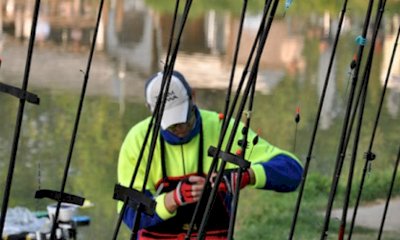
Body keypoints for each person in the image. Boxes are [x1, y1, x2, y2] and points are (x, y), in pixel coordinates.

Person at [117, 70, 303, 239]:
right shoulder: (137, 140)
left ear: (194, 96)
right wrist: (173, 199)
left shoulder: (223, 129)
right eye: (172, 125)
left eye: (184, 119)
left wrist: (248, 176)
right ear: (151, 111)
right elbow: (130, 214)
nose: (180, 129)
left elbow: (292, 172)